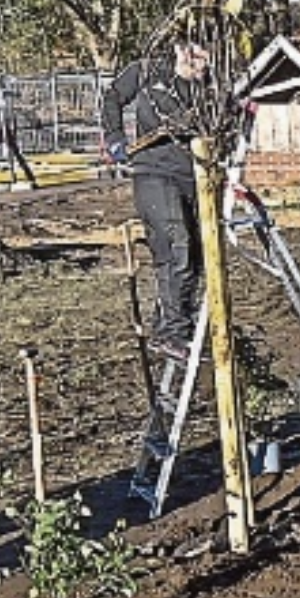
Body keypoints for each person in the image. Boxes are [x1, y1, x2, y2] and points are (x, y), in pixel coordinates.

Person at [98, 38, 215, 362]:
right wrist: (115, 137)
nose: (198, 61)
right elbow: (112, 97)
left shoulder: (210, 90)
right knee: (176, 244)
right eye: (192, 53)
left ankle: (173, 324)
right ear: (179, 50)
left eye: (204, 55)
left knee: (197, 255)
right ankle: (171, 333)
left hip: (195, 177)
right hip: (152, 174)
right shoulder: (148, 72)